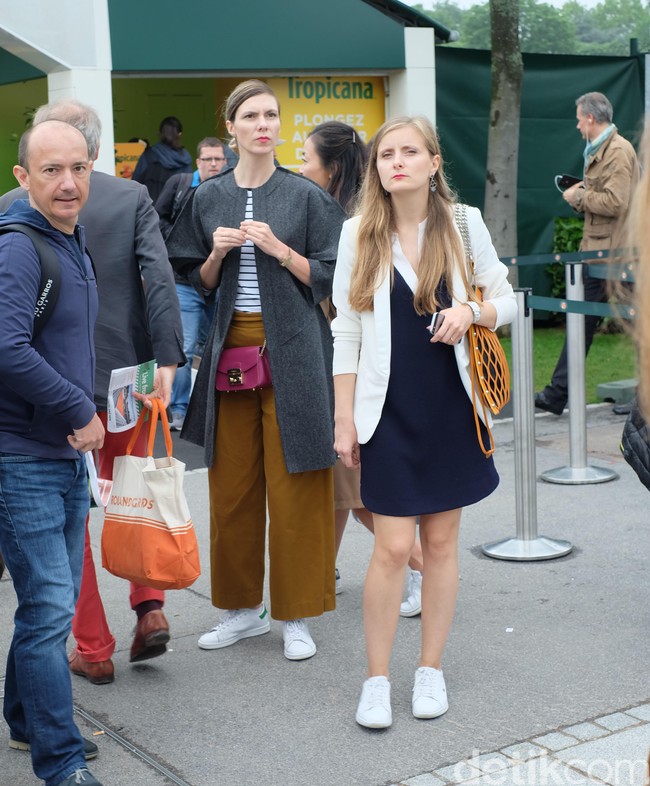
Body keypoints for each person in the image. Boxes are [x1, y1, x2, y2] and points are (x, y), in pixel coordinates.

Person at [332, 116, 516, 729]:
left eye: (410, 152)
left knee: (439, 545)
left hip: (452, 408)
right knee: (391, 548)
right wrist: (344, 420)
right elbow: (346, 330)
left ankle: (429, 669)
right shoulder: (358, 232)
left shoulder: (463, 223)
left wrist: (470, 312)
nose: (397, 162)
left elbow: (507, 300)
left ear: (434, 162)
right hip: (388, 412)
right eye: (386, 154)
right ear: (376, 168)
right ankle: (377, 680)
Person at [0, 99, 185, 683]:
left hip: (51, 387)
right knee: (134, 488)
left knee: (70, 518)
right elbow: (158, 278)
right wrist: (168, 357)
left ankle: (94, 647)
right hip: (127, 375)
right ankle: (149, 606)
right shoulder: (131, 196)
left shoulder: (12, 205)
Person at [167, 79, 346, 660]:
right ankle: (242, 611)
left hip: (296, 348)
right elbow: (197, 280)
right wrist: (218, 254)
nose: (263, 124)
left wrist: (281, 251)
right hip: (231, 350)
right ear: (232, 127)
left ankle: (297, 613)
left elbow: (333, 275)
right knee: (232, 486)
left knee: (299, 485)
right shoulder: (207, 197)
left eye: (271, 115)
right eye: (251, 116)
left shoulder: (306, 196)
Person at [0, 120, 105, 786]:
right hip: (23, 458)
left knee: (47, 606)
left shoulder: (71, 238)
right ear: (23, 178)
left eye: (78, 168)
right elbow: (6, 347)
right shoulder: (19, 248)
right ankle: (60, 763)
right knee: (48, 612)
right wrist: (77, 408)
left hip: (61, 455)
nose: (68, 183)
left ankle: (25, 721)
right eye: (51, 170)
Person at [300, 120, 426, 609]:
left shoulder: (353, 221)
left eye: (307, 159)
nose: (301, 168)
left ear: (331, 167)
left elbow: (345, 311)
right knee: (343, 491)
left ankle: (425, 567)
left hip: (353, 369)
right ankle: (319, 576)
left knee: (358, 495)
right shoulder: (344, 212)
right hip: (341, 364)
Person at [535, 91, 639, 417]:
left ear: (591, 119)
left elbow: (617, 202)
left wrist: (578, 197)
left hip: (616, 256)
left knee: (639, 329)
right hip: (600, 253)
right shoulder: (603, 149)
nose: (578, 125)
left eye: (579, 119)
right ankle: (556, 395)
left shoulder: (618, 151)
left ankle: (644, 401)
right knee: (580, 323)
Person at [155, 137, 228, 431]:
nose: (213, 164)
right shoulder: (180, 184)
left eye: (218, 159)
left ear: (225, 162)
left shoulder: (230, 188)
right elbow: (157, 217)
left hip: (221, 282)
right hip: (184, 281)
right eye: (208, 159)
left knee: (219, 345)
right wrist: (179, 239)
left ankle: (216, 408)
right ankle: (180, 409)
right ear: (198, 162)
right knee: (184, 347)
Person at [132, 115, 193, 203]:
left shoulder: (149, 156)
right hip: (178, 208)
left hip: (151, 208)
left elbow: (135, 184)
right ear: (179, 134)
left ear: (160, 133)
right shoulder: (186, 160)